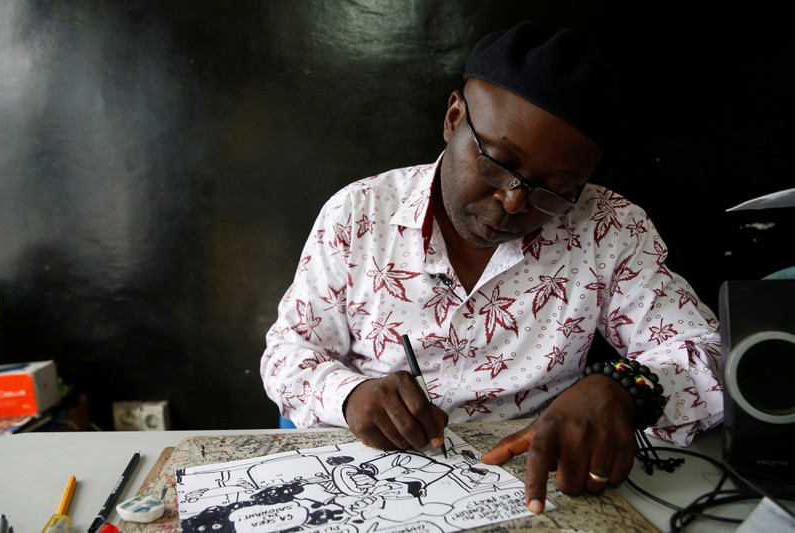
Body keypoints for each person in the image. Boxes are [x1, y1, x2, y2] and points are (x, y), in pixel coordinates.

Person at [261, 20, 723, 514]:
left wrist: (628, 389)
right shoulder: (359, 214)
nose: (512, 201)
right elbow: (289, 353)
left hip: (535, 484)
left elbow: (706, 351)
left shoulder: (608, 228)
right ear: (454, 117)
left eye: (553, 190)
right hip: (374, 478)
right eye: (497, 163)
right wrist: (351, 395)